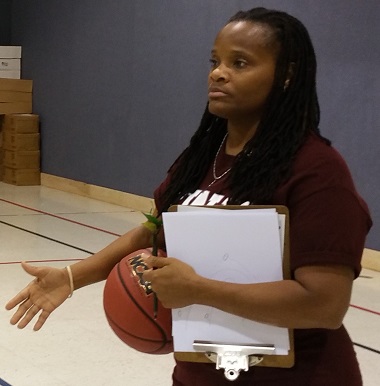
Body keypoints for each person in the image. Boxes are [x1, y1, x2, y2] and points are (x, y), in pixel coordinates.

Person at [5, 7, 372, 386]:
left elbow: (324, 304)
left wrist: (198, 290)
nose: (218, 72)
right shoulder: (203, 157)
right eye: (216, 61)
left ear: (287, 75)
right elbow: (153, 230)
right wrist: (72, 276)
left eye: (240, 63)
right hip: (201, 372)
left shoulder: (316, 170)